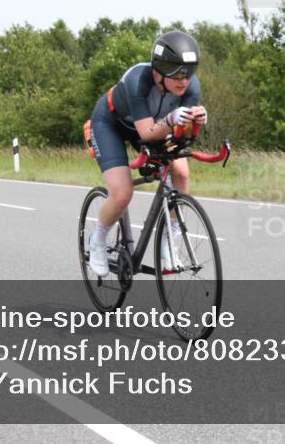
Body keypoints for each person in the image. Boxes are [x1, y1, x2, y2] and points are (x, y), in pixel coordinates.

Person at [86, 31, 208, 277]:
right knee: (122, 193)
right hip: (111, 124)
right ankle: (97, 241)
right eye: (176, 72)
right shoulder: (137, 80)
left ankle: (168, 239)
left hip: (152, 126)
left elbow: (179, 135)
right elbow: (146, 133)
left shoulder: (191, 87)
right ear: (158, 71)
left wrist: (196, 122)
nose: (184, 80)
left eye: (189, 71)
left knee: (181, 172)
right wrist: (172, 119)